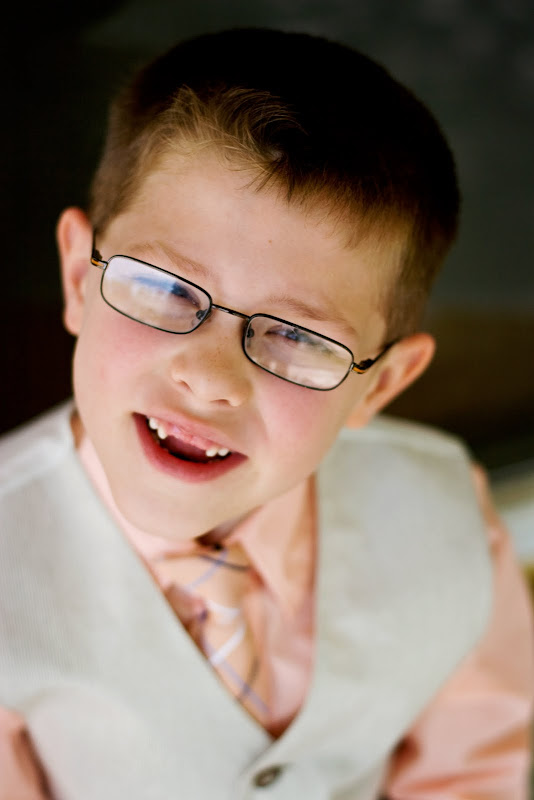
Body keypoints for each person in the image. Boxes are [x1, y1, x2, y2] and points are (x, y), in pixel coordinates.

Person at [0, 27, 532, 800]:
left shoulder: (447, 511)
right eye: (166, 289)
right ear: (81, 280)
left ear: (379, 387)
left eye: (297, 337)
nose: (210, 378)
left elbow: (472, 774)